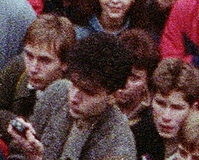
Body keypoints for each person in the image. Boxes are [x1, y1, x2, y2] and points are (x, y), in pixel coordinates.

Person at [10, 31, 137, 160]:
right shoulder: (58, 92)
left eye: (88, 92)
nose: (74, 97)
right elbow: (17, 153)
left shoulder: (119, 145)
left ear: (113, 96)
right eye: (74, 84)